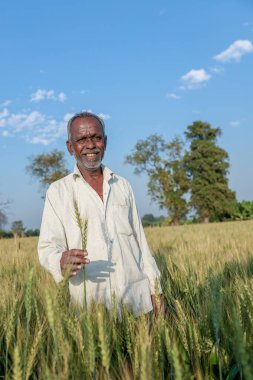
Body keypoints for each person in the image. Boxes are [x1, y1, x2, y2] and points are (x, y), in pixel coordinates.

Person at [38, 111, 164, 316]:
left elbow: (141, 244)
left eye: (96, 138)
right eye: (81, 139)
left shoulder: (123, 185)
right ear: (70, 147)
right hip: (92, 310)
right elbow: (47, 247)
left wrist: (156, 292)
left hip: (137, 302)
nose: (90, 145)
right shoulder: (58, 191)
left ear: (105, 142)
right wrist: (59, 261)